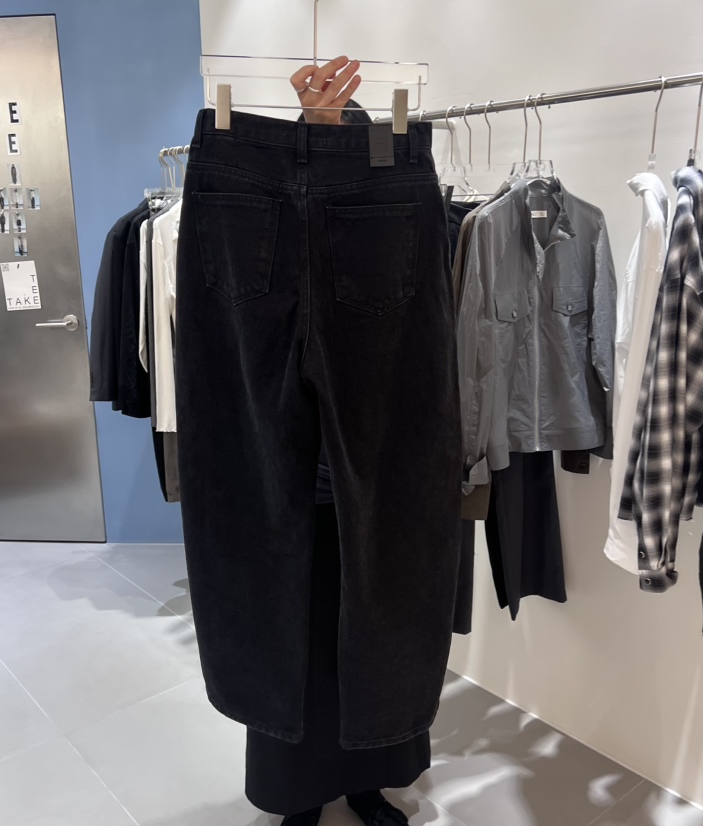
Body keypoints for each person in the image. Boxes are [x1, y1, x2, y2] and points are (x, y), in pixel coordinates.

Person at [242, 57, 421, 826]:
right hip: (296, 495)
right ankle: (298, 795)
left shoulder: (396, 229)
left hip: (373, 495)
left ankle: (366, 782)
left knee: (375, 641)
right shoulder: (272, 226)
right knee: (296, 644)